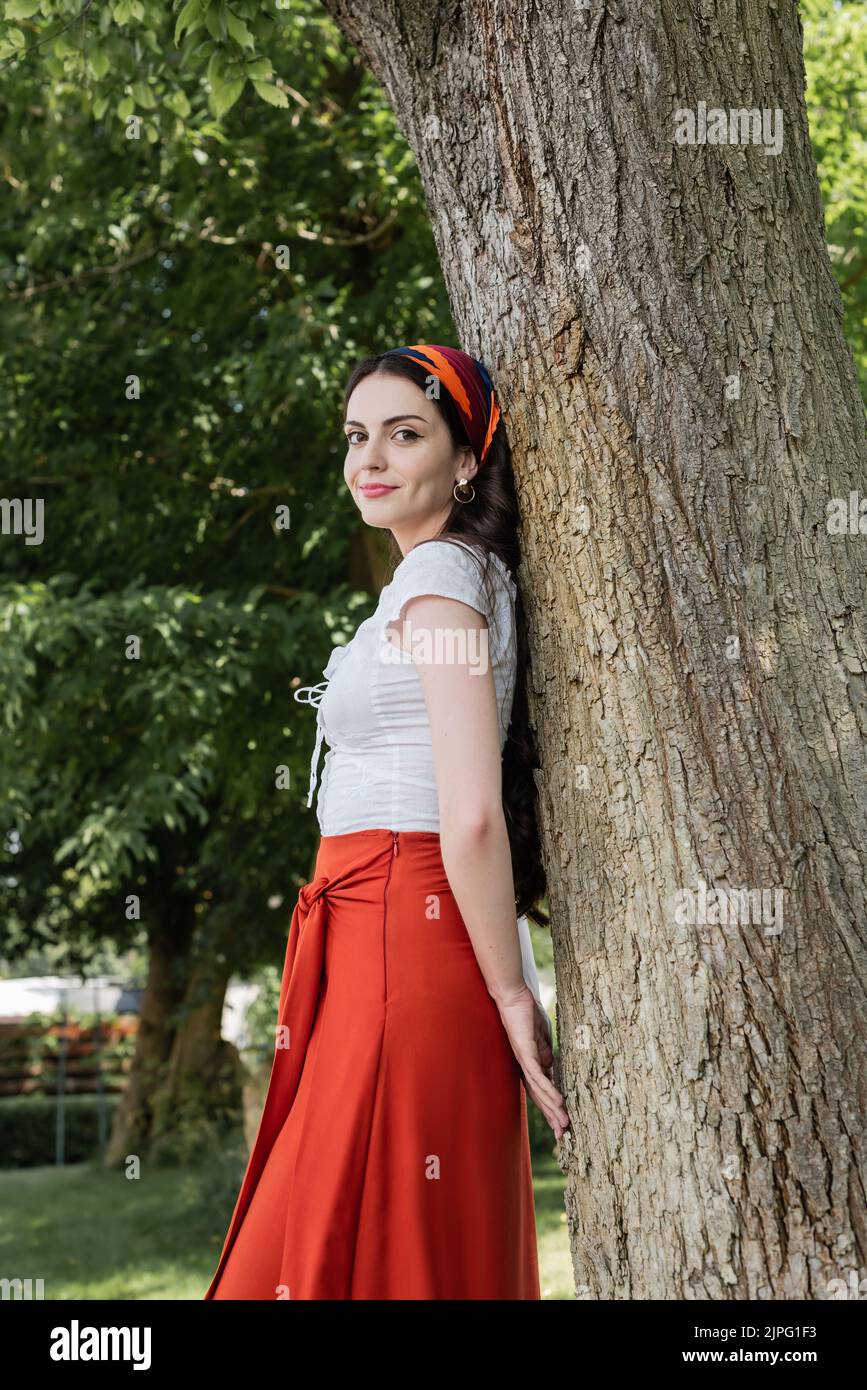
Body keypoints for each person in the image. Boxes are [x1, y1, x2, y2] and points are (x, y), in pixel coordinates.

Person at [204, 343, 569, 1302]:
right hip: (373, 934)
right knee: (337, 1236)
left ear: (463, 461)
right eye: (356, 436)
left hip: (406, 938)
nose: (369, 457)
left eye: (404, 434)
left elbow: (473, 812)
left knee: (343, 1242)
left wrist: (510, 995)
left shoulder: (442, 579)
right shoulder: (437, 576)